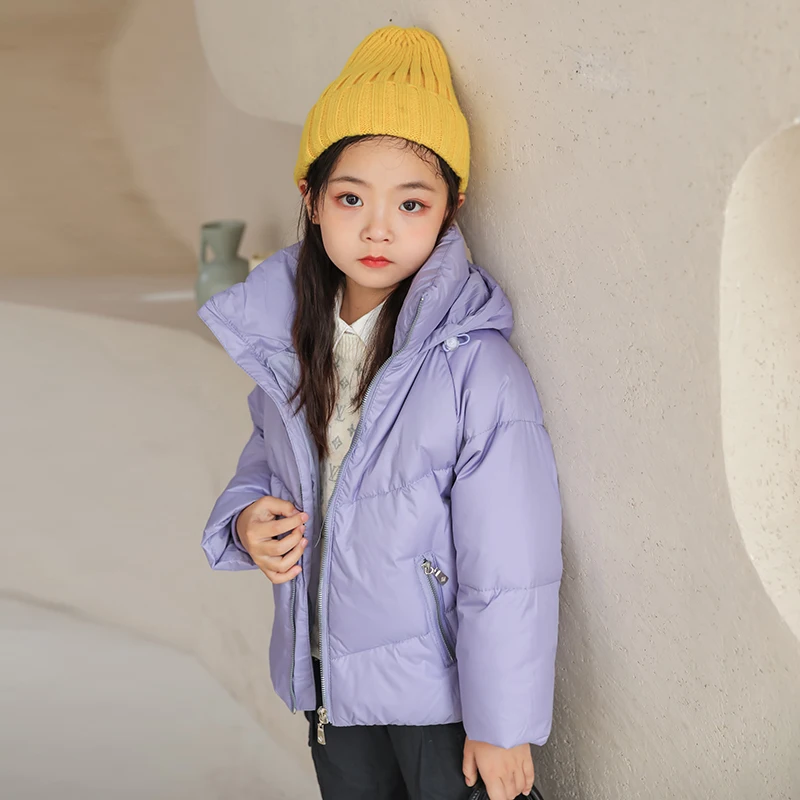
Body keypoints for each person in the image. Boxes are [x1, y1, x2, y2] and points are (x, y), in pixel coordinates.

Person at [198, 24, 563, 800]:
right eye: (351, 197)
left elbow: (512, 565)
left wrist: (503, 723)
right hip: (330, 681)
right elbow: (266, 461)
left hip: (441, 700)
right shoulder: (292, 347)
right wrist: (245, 519)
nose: (377, 227)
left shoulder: (476, 370)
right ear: (311, 199)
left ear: (450, 209)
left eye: (412, 202)